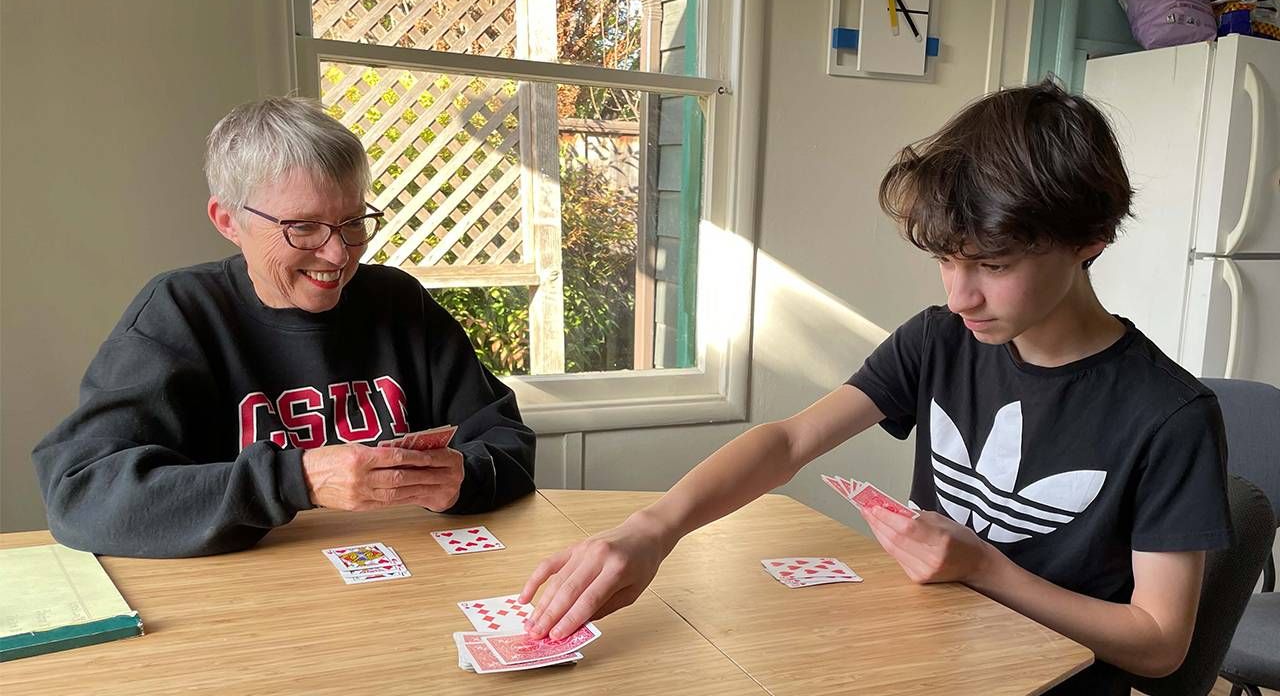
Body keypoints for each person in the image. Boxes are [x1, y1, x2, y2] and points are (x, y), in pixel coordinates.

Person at [517, 79, 1231, 694]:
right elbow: (791, 440)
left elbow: (1160, 644)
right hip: (923, 652)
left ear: (1091, 239)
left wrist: (983, 567)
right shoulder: (940, 339)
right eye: (946, 261)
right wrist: (652, 530)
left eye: (992, 264)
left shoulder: (1169, 415)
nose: (961, 296)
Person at [33, 97, 536, 558]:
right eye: (303, 227)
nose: (338, 254)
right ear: (228, 220)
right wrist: (297, 480)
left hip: (409, 586)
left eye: (353, 222)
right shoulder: (178, 312)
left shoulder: (399, 302)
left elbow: (507, 441)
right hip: (239, 609)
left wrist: (463, 478)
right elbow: (81, 496)